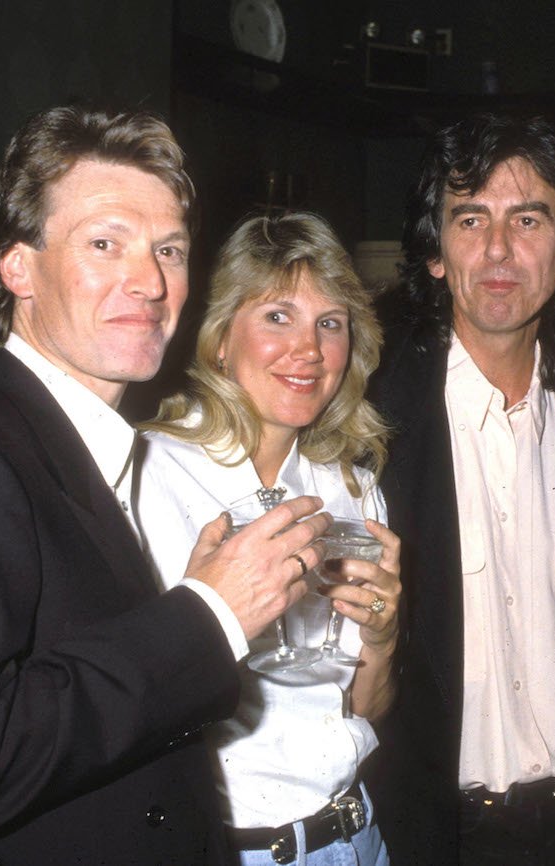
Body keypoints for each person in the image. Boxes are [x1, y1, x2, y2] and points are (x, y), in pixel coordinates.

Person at [0, 105, 330, 864]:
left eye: (168, 250)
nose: (149, 281)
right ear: (18, 267)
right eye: (106, 244)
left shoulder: (87, 445)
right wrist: (207, 616)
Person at [363, 114, 555, 865]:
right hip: (438, 835)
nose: (499, 249)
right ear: (438, 254)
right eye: (470, 218)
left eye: (528, 218)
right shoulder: (369, 424)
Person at [135, 211, 402, 866]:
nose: (308, 349)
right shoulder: (147, 476)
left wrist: (383, 632)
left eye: (329, 323)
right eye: (277, 316)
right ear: (222, 337)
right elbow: (125, 714)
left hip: (358, 837)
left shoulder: (353, 485)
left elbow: (363, 708)